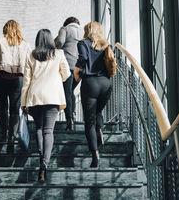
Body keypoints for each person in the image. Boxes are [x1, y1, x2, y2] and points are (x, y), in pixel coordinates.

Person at [21, 29, 70, 182]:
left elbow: (26, 81)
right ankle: (44, 164)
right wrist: (56, 79)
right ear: (50, 40)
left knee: (39, 129)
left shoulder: (31, 55)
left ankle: (42, 156)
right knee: (48, 131)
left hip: (35, 96)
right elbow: (67, 73)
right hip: (53, 96)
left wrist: (23, 102)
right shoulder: (59, 54)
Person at [74, 21, 112, 168]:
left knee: (89, 120)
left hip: (90, 83)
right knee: (98, 112)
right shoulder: (105, 44)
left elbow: (83, 58)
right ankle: (99, 128)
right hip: (106, 84)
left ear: (87, 31)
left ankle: (95, 155)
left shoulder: (83, 44)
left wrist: (78, 70)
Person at [0, 20, 30, 148]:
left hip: (0, 78)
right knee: (14, 109)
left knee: (2, 107)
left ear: (5, 29)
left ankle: (3, 134)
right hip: (17, 79)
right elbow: (29, 63)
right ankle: (11, 138)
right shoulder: (24, 44)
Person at [54, 17, 82, 130]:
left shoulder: (64, 29)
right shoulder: (82, 33)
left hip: (67, 65)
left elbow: (60, 41)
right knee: (70, 91)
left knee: (66, 92)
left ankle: (69, 119)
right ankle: (72, 115)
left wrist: (55, 46)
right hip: (79, 68)